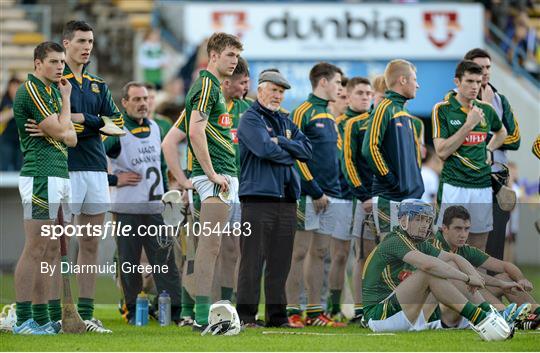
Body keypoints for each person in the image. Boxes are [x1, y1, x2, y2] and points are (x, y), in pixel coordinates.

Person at [56, 20, 125, 332]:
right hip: (64, 167)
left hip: (97, 169)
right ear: (66, 42)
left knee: (91, 243)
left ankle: (85, 314)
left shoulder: (99, 85)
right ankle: (50, 312)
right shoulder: (56, 82)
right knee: (56, 243)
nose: (87, 47)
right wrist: (97, 125)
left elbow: (119, 123)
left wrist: (83, 119)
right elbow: (59, 124)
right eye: (81, 41)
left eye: (91, 42)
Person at [362, 199, 511, 341]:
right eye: (419, 219)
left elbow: (454, 259)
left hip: (400, 310)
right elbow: (429, 266)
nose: (424, 225)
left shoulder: (420, 243)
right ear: (403, 221)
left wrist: (472, 274)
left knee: (448, 267)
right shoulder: (394, 240)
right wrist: (467, 279)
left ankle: (490, 313)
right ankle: (480, 319)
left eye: (427, 220)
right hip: (379, 316)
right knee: (430, 272)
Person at [236, 69, 311, 327]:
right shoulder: (250, 118)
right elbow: (264, 149)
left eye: (281, 92)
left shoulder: (285, 122)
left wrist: (280, 141)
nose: (278, 96)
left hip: (287, 200)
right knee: (252, 263)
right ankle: (246, 317)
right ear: (261, 90)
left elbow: (307, 150)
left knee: (280, 264)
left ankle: (277, 317)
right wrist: (288, 151)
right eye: (274, 90)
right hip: (257, 199)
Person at [12, 41, 77, 334]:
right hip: (41, 174)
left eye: (62, 62)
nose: (60, 66)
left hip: (59, 173)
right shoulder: (33, 89)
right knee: (35, 248)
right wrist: (64, 117)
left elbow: (72, 138)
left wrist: (63, 104)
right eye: (53, 61)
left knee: (51, 250)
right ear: (38, 63)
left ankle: (40, 317)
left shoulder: (53, 91)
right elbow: (63, 131)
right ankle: (23, 318)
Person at [104, 82, 182, 325]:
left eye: (145, 99)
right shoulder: (115, 131)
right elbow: (93, 162)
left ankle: (175, 313)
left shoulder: (156, 127)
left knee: (166, 264)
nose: (142, 104)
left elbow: (161, 166)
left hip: (156, 208)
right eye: (136, 99)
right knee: (129, 265)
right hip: (127, 210)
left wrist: (169, 200)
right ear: (124, 103)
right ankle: (131, 310)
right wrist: (115, 179)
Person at [183, 32, 243, 330]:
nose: (235, 61)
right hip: (215, 176)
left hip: (222, 175)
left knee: (214, 246)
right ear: (214, 56)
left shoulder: (213, 87)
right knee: (209, 246)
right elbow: (195, 131)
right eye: (230, 55)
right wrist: (210, 173)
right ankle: (200, 316)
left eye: (237, 55)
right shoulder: (206, 84)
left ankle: (202, 314)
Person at [286, 62, 345, 328]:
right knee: (298, 253)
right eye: (338, 82)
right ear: (323, 82)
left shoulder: (330, 114)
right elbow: (295, 156)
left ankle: (314, 311)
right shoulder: (303, 111)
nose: (340, 88)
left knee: (321, 253)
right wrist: (315, 190)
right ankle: (291, 310)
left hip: (329, 195)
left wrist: (330, 191)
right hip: (309, 195)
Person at [432, 60, 508, 252]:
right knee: (448, 247)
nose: (475, 86)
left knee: (479, 247)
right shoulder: (442, 109)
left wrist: (488, 150)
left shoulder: (486, 110)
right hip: (454, 185)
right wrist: (468, 125)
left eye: (478, 81)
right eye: (470, 81)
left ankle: (473, 283)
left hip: (482, 185)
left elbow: (502, 133)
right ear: (457, 82)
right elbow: (441, 151)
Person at [432, 205, 538, 330]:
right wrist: (500, 284)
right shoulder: (435, 246)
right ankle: (503, 315)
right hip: (443, 313)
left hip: (465, 306)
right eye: (458, 229)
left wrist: (520, 279)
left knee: (503, 277)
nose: (463, 234)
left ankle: (536, 312)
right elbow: (465, 277)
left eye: (466, 229)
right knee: (472, 281)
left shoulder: (464, 249)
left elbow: (505, 266)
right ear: (444, 228)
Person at [463, 48, 521, 261]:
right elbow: (461, 142)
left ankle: (492, 294)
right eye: (480, 67)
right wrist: (494, 134)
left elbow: (515, 140)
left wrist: (483, 136)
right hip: (468, 178)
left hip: (498, 178)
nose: (485, 72)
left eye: (488, 67)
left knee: (495, 248)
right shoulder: (454, 101)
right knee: (466, 244)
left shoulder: (500, 100)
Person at [330, 77, 373, 322]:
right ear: (347, 96)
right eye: (359, 93)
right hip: (346, 197)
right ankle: (336, 307)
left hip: (372, 196)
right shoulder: (340, 125)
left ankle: (369, 306)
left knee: (370, 253)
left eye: (368, 93)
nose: (365, 97)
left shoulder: (376, 120)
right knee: (342, 255)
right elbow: (344, 162)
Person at [362, 59, 424, 203]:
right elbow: (369, 148)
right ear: (402, 80)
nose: (418, 85)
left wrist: (415, 184)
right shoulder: (385, 108)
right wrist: (391, 181)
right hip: (389, 197)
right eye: (414, 80)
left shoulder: (405, 112)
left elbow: (414, 154)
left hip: (410, 196)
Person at [0, 77, 23, 171]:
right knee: (4, 165)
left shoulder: (25, 101)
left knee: (20, 166)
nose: (15, 89)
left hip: (21, 139)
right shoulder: (5, 102)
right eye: (12, 86)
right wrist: (13, 110)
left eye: (17, 86)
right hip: (7, 139)